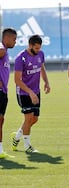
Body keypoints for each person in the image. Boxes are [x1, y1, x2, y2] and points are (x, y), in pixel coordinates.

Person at [11, 34, 51, 153]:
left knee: (34, 119)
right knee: (28, 118)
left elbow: (42, 68)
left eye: (39, 48)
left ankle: (17, 136)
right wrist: (30, 93)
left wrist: (46, 82)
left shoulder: (40, 54)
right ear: (30, 45)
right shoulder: (20, 58)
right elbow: (17, 80)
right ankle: (27, 146)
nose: (38, 50)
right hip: (23, 93)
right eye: (36, 48)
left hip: (36, 91)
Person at [0, 28, 17, 158]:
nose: (15, 42)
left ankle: (0, 151)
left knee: (1, 120)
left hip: (3, 92)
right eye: (14, 39)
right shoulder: (1, 49)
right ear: (6, 38)